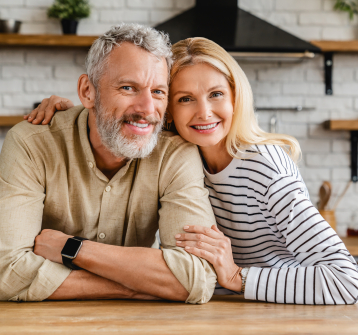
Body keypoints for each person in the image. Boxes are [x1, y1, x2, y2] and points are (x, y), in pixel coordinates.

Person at [33, 37, 358, 305]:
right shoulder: (175, 153)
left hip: (280, 312)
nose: (204, 113)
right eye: (185, 98)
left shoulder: (266, 168)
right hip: (212, 306)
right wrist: (74, 112)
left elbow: (346, 281)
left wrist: (236, 277)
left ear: (235, 96)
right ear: (169, 111)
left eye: (216, 94)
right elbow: (122, 117)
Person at [0, 24, 218, 303]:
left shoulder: (174, 153)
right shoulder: (32, 144)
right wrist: (135, 286)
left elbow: (197, 278)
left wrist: (73, 249)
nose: (147, 109)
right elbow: (7, 271)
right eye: (128, 88)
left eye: (158, 92)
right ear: (88, 91)